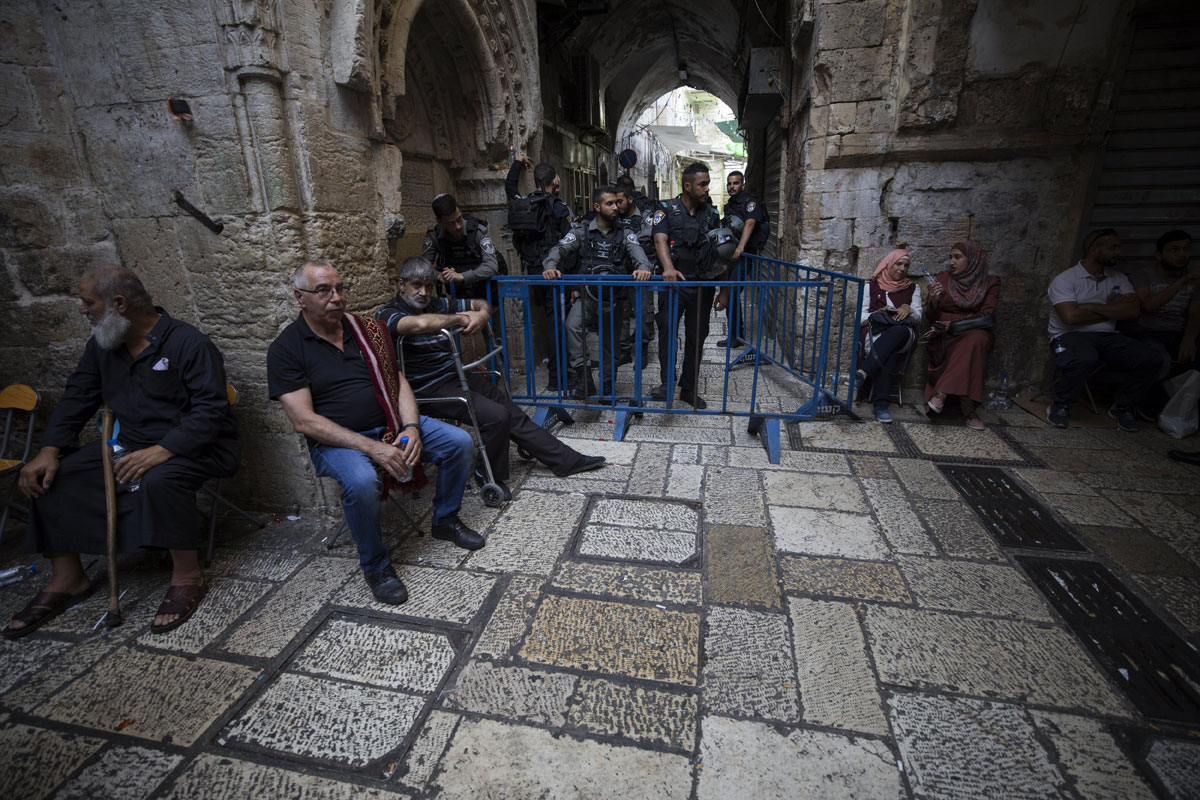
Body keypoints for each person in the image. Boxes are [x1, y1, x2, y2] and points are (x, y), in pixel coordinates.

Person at [7, 266, 241, 639]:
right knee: (53, 477)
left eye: (88, 302)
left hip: (196, 445)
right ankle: (69, 578)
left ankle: (187, 575)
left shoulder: (188, 343)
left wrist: (163, 450)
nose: (83, 310)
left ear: (119, 304)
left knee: (162, 480)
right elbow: (78, 396)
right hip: (130, 443)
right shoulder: (103, 345)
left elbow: (211, 411)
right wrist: (49, 449)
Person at [268, 261, 482, 607]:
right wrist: (374, 449)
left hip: (391, 423)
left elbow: (398, 382)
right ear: (299, 297)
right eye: (324, 290)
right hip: (337, 441)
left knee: (459, 443)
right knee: (362, 481)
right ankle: (376, 565)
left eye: (339, 288)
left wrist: (411, 427)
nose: (336, 298)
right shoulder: (286, 349)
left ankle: (445, 520)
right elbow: (304, 422)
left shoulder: (367, 329)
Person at [377, 257, 605, 501]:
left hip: (455, 375)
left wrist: (481, 315)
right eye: (416, 285)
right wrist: (461, 318)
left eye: (429, 286)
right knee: (496, 416)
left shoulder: (437, 303)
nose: (423, 292)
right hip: (427, 390)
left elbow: (479, 303)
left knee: (511, 410)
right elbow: (420, 323)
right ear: (401, 285)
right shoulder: (388, 313)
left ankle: (565, 460)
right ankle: (487, 474)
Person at [1046, 229, 1170, 431]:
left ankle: (1123, 406)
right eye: (1113, 247)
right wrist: (1112, 310)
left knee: (1152, 358)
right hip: (1066, 337)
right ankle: (1061, 405)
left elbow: (1133, 311)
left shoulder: (1118, 279)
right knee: (1084, 358)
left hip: (1108, 337)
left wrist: (1089, 307)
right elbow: (1070, 317)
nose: (1118, 252)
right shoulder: (1066, 279)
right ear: (1094, 250)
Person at [543, 186, 654, 399]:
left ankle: (607, 387)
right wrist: (550, 266)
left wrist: (643, 268)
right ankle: (584, 379)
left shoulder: (625, 234)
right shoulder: (582, 232)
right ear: (597, 206)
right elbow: (559, 249)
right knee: (572, 326)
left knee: (609, 348)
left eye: (617, 203)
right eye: (609, 203)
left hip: (613, 300)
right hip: (589, 296)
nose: (616, 207)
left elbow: (639, 255)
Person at [652, 161, 725, 409]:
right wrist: (668, 268)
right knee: (667, 334)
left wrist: (724, 291)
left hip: (702, 286)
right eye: (702, 184)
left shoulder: (712, 215)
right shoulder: (666, 209)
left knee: (697, 336)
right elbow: (659, 238)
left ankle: (689, 388)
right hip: (673, 285)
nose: (706, 189)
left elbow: (721, 253)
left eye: (707, 184)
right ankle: (666, 384)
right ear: (687, 186)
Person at [506, 155, 573, 392]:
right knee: (558, 324)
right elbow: (571, 243)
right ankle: (558, 377)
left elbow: (509, 187)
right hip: (555, 274)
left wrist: (517, 163)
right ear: (554, 180)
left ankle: (555, 371)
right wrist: (574, 283)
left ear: (535, 182)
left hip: (533, 272)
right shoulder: (558, 207)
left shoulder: (523, 202)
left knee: (548, 321)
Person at [923, 241, 1001, 430]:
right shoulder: (942, 279)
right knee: (972, 343)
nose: (951, 262)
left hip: (972, 331)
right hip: (944, 335)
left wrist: (955, 325)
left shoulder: (990, 283)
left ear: (973, 260)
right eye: (951, 257)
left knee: (976, 339)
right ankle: (968, 409)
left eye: (957, 257)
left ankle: (941, 394)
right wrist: (933, 300)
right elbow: (931, 316)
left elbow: (988, 316)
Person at [1126, 230, 1199, 414]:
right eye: (1174, 249)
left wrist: (1189, 340)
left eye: (1186, 249)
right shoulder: (1143, 275)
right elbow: (1149, 305)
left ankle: (1182, 409)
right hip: (1147, 332)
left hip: (1178, 333)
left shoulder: (1194, 278)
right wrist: (1183, 281)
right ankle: (1142, 404)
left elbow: (1195, 313)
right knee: (1160, 361)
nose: (1181, 254)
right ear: (1159, 255)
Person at [856, 249, 923, 423]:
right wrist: (876, 313)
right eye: (898, 264)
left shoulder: (913, 288)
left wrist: (908, 309)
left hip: (904, 336)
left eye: (906, 265)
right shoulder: (871, 287)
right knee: (889, 350)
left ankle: (863, 372)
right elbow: (860, 318)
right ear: (888, 264)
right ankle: (881, 405)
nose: (902, 268)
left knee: (898, 331)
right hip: (877, 334)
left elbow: (918, 318)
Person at [718, 171, 769, 349]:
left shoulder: (750, 202)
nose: (732, 187)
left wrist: (740, 247)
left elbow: (750, 223)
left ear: (743, 184)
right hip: (730, 256)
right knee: (730, 292)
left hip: (745, 255)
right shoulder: (729, 205)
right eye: (729, 183)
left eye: (736, 183)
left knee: (731, 292)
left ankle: (735, 336)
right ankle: (735, 334)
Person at [421, 194, 499, 301]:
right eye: (451, 223)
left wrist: (462, 276)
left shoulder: (477, 231)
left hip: (485, 294)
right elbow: (423, 268)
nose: (458, 226)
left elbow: (491, 266)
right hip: (455, 297)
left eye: (459, 219)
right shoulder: (434, 235)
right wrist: (439, 276)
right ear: (439, 221)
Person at [614, 176, 658, 364]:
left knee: (643, 311)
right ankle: (623, 351)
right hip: (620, 271)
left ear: (630, 199)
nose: (616, 206)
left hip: (641, 272)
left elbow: (649, 240)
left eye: (620, 201)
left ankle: (642, 349)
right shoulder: (613, 217)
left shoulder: (645, 216)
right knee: (621, 312)